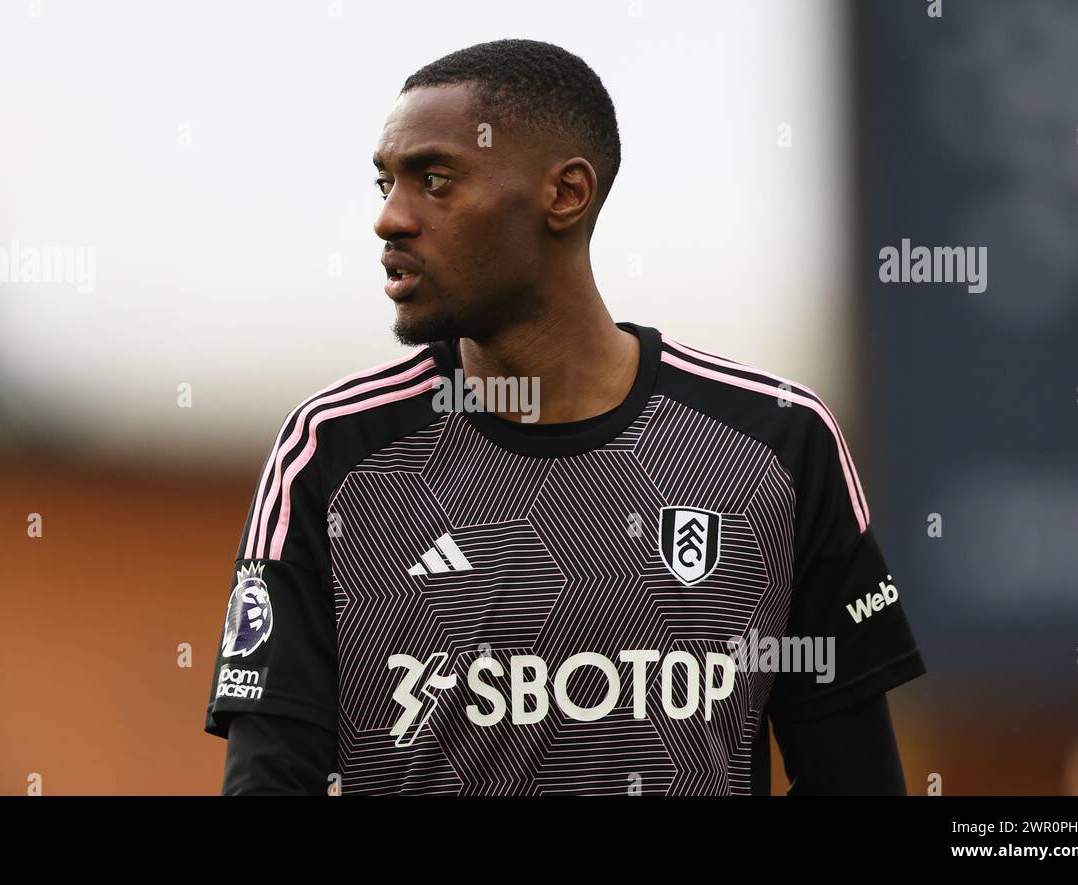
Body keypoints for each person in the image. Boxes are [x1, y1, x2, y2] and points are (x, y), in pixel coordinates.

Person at [205, 38, 925, 795]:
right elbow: (270, 779)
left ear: (566, 193)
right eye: (386, 184)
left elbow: (857, 777)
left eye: (435, 180)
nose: (390, 219)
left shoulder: (777, 440)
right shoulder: (332, 453)